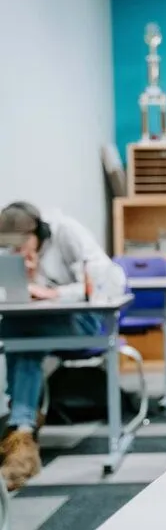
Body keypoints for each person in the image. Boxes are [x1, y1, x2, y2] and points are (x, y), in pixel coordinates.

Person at [0, 202, 112, 491]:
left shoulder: (67, 234)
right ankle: (21, 426)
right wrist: (27, 281)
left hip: (84, 320)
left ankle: (21, 426)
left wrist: (53, 292)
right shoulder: (18, 253)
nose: (17, 251)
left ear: (39, 231)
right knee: (18, 331)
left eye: (22, 243)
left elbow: (102, 281)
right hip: (37, 323)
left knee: (18, 332)